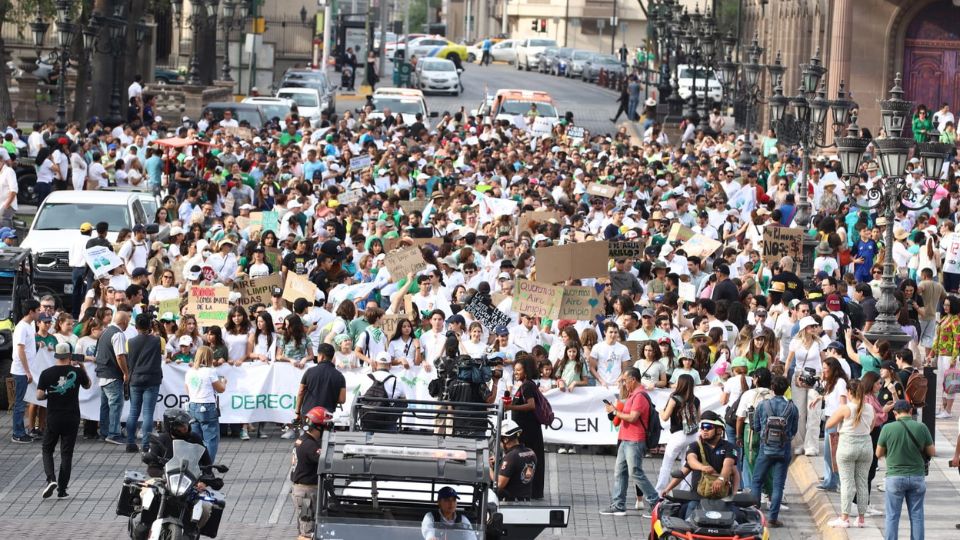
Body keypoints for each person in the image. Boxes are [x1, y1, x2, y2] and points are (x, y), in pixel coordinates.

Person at [601, 367, 659, 516]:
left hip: (635, 440)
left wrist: (615, 412)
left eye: (625, 381)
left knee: (635, 472)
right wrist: (615, 410)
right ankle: (618, 504)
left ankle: (655, 502)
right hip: (626, 438)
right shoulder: (633, 394)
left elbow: (633, 417)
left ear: (633, 380)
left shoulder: (640, 396)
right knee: (620, 472)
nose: (624, 384)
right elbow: (624, 415)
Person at [36, 342, 91, 499]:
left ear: (56, 355)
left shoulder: (46, 373)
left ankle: (51, 479)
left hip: (53, 417)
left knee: (47, 449)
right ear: (70, 355)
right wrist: (82, 366)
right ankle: (62, 489)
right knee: (66, 454)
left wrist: (49, 395)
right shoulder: (77, 372)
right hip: (72, 417)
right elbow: (88, 385)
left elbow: (39, 395)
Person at [877, 400, 935, 540]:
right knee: (917, 515)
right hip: (917, 476)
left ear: (895, 413)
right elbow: (932, 451)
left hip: (894, 476)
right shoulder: (921, 427)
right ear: (910, 411)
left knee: (892, 516)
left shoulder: (887, 428)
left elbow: (878, 453)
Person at [825, 377, 875, 528]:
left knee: (847, 483)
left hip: (847, 445)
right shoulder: (870, 408)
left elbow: (828, 424)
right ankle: (861, 519)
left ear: (849, 392)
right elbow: (871, 427)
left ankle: (844, 517)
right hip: (866, 445)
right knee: (862, 482)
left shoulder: (846, 408)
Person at [749, 375, 798, 528]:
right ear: (786, 389)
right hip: (783, 450)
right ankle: (773, 518)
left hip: (766, 448)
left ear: (772, 388)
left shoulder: (763, 405)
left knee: (757, 481)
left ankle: (755, 515)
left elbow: (756, 427)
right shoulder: (792, 407)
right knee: (778, 486)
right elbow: (794, 430)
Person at [504, 354, 545, 500]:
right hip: (527, 429)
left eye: (518, 370)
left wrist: (511, 407)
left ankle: (532, 491)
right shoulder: (525, 385)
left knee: (530, 459)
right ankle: (531, 491)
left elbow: (531, 405)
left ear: (526, 371)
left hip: (529, 431)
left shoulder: (527, 386)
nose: (515, 373)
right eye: (514, 370)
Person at [290, 406, 332, 540]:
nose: (326, 429)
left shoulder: (303, 440)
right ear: (317, 427)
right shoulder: (310, 446)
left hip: (303, 491)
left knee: (304, 527)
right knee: (307, 532)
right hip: (307, 493)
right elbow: (327, 461)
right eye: (324, 427)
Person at [655, 374, 701, 493]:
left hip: (678, 435)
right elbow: (698, 419)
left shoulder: (674, 398)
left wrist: (660, 411)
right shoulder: (696, 400)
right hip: (693, 436)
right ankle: (685, 492)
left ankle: (660, 491)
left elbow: (665, 417)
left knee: (667, 464)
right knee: (687, 465)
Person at [125, 313, 164, 453]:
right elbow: (164, 352)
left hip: (135, 378)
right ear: (150, 326)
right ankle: (146, 444)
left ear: (136, 326)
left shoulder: (130, 342)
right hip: (152, 378)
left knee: (133, 412)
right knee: (148, 413)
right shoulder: (158, 340)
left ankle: (130, 442)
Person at [95, 309, 131, 445]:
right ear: (124, 321)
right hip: (113, 375)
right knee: (116, 405)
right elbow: (120, 355)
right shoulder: (118, 334)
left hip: (103, 374)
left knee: (105, 406)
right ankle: (114, 434)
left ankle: (104, 432)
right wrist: (126, 372)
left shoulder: (105, 331)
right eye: (128, 320)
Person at [185, 346, 226, 461]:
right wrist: (224, 382)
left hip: (193, 405)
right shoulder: (210, 371)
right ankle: (207, 467)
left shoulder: (190, 372)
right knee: (211, 439)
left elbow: (187, 389)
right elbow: (220, 389)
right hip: (207, 406)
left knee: (195, 440)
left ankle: (196, 466)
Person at [295, 343, 346, 429]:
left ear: (321, 356)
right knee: (325, 439)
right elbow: (342, 399)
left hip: (308, 413)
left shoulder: (309, 372)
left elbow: (300, 392)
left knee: (307, 438)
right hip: (327, 415)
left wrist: (297, 413)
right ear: (332, 357)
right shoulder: (339, 376)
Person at [11, 299, 40, 443]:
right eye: (38, 310)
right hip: (20, 371)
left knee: (24, 401)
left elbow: (28, 344)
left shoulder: (31, 325)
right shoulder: (21, 327)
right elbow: (20, 350)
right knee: (20, 403)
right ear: (31, 312)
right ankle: (17, 433)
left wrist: (37, 343)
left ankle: (21, 431)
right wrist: (27, 371)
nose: (40, 313)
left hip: (27, 370)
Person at [491, 419, 537, 501]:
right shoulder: (531, 452)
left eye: (499, 440)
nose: (499, 444)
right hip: (526, 500)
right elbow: (517, 470)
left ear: (505, 440)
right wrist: (500, 463)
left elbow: (499, 484)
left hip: (510, 503)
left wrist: (488, 468)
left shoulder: (511, 457)